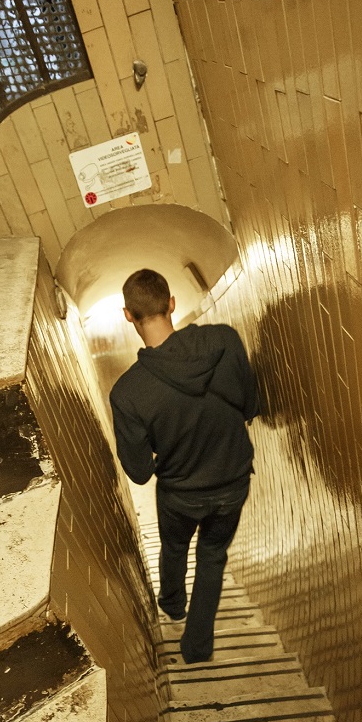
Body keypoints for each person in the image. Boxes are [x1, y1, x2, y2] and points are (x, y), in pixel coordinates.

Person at [109, 268, 259, 664]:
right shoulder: (223, 340)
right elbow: (251, 405)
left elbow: (139, 471)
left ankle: (173, 604)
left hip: (180, 495)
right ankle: (196, 647)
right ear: (171, 303)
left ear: (128, 315)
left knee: (175, 547)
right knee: (212, 556)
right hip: (233, 481)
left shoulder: (128, 392)